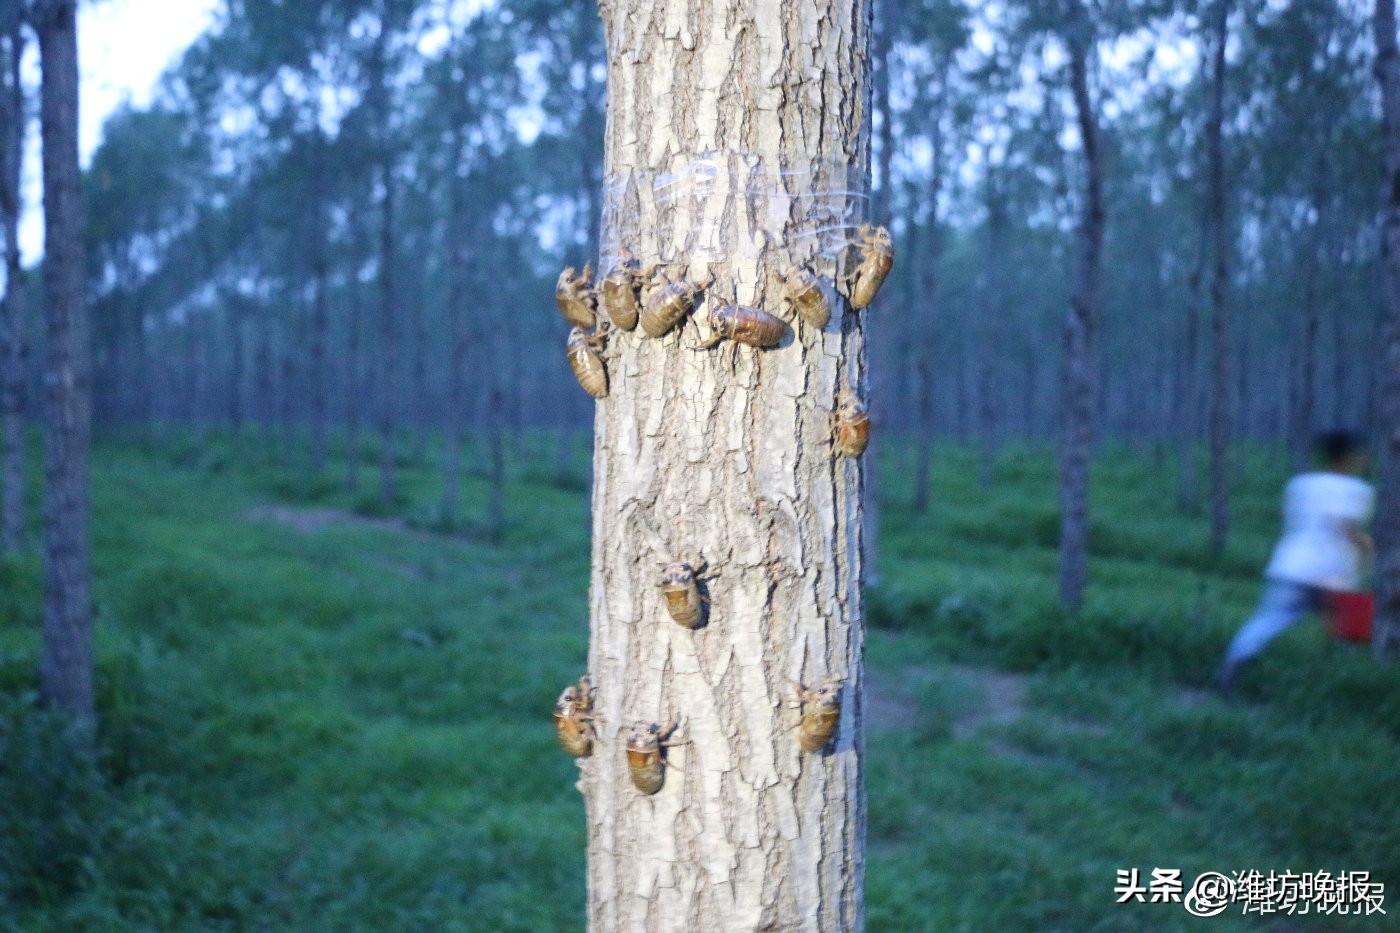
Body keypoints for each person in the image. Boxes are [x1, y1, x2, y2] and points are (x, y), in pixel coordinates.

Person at [1213, 430, 1374, 693]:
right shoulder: (1357, 490)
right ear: (1349, 457)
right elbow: (1346, 530)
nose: (1365, 459)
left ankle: (1231, 666)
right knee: (1349, 632)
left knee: (1268, 620)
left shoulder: (1300, 483)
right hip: (1333, 574)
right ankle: (1352, 688)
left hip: (1291, 565)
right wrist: (1368, 547)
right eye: (1361, 454)